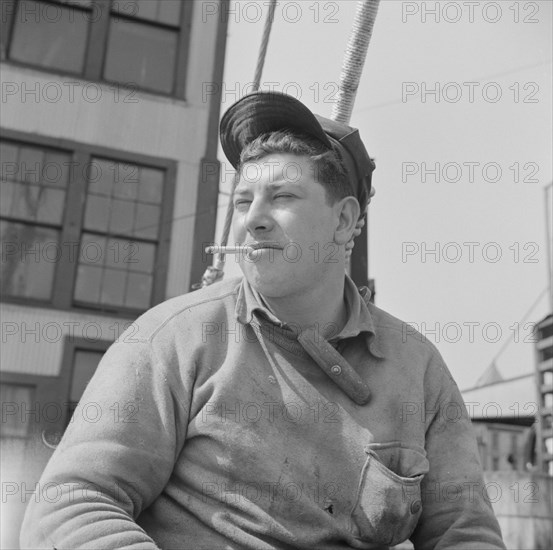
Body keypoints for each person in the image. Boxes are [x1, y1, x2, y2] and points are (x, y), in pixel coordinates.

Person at [20, 91, 506, 549]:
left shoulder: (417, 369)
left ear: (342, 221)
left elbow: (465, 531)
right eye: (242, 200)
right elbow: (70, 504)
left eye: (283, 196)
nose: (253, 219)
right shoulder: (174, 340)